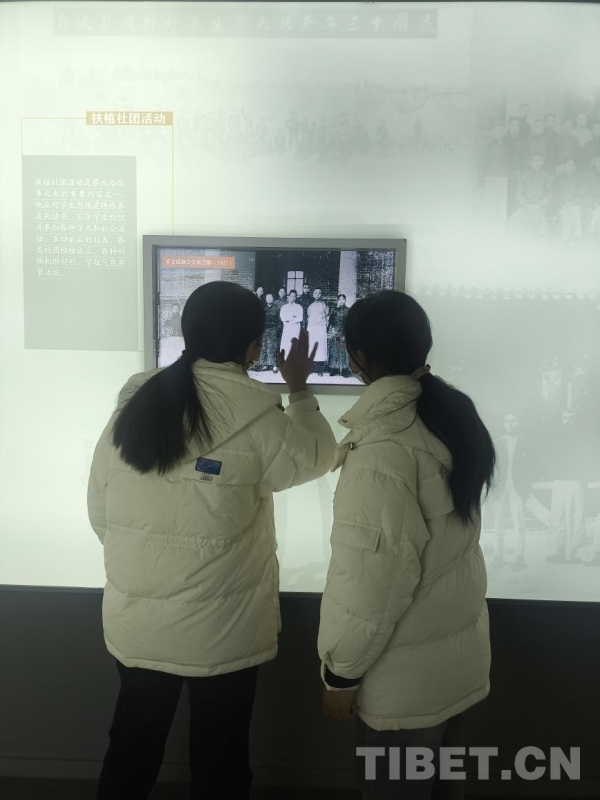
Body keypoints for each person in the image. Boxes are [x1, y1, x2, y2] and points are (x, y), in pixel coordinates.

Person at [88, 281, 336, 800]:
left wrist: (147, 565)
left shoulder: (134, 404)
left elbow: (100, 509)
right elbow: (319, 456)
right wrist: (299, 390)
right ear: (254, 348)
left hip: (138, 622)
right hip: (223, 631)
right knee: (220, 761)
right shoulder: (263, 420)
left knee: (130, 750)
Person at [317, 291, 495, 799]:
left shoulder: (383, 447)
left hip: (402, 684)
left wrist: (341, 675)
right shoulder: (445, 416)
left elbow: (373, 581)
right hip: (450, 666)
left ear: (358, 357)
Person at [492, 414, 530, 570]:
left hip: (517, 488)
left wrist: (525, 490)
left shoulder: (525, 443)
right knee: (498, 523)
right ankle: (498, 555)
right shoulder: (497, 443)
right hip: (501, 488)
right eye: (507, 421)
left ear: (518, 423)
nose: (510, 424)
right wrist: (493, 488)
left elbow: (530, 469)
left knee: (518, 522)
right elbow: (492, 467)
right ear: (503, 424)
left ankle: (519, 556)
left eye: (513, 421)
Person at [508, 153, 552, 237]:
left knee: (541, 225)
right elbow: (519, 192)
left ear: (542, 162)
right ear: (530, 162)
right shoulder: (525, 175)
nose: (536, 162)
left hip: (540, 206)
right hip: (526, 205)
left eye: (538, 160)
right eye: (534, 160)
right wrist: (525, 203)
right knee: (514, 221)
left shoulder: (546, 176)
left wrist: (540, 204)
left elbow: (549, 193)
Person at [307, 288, 329, 376]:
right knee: (312, 346)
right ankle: (312, 367)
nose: (317, 295)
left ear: (321, 295)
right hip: (312, 328)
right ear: (313, 294)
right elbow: (309, 317)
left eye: (319, 293)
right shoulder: (310, 306)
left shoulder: (324, 305)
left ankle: (320, 368)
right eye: (315, 293)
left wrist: (325, 327)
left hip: (321, 328)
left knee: (320, 347)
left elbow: (327, 317)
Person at [327, 294, 351, 377]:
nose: (341, 301)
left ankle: (345, 369)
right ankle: (335, 369)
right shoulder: (334, 311)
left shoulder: (348, 310)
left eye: (343, 299)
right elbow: (331, 323)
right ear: (337, 300)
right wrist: (332, 331)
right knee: (335, 351)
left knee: (344, 351)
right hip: (336, 333)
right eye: (340, 299)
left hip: (345, 333)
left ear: (345, 300)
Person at [255, 293, 279, 372]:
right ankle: (265, 364)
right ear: (265, 299)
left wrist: (277, 329)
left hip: (273, 329)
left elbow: (279, 321)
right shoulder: (264, 308)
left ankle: (273, 365)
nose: (269, 299)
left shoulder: (276, 308)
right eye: (267, 298)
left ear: (273, 299)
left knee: (272, 347)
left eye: (270, 297)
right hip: (264, 330)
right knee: (264, 347)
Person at [279, 290, 303, 358]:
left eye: (294, 296)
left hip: (295, 328)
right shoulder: (284, 307)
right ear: (288, 297)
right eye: (291, 296)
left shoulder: (299, 307)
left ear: (296, 297)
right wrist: (293, 317)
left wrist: (289, 319)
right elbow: (283, 317)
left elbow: (300, 318)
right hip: (287, 328)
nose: (293, 298)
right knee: (286, 344)